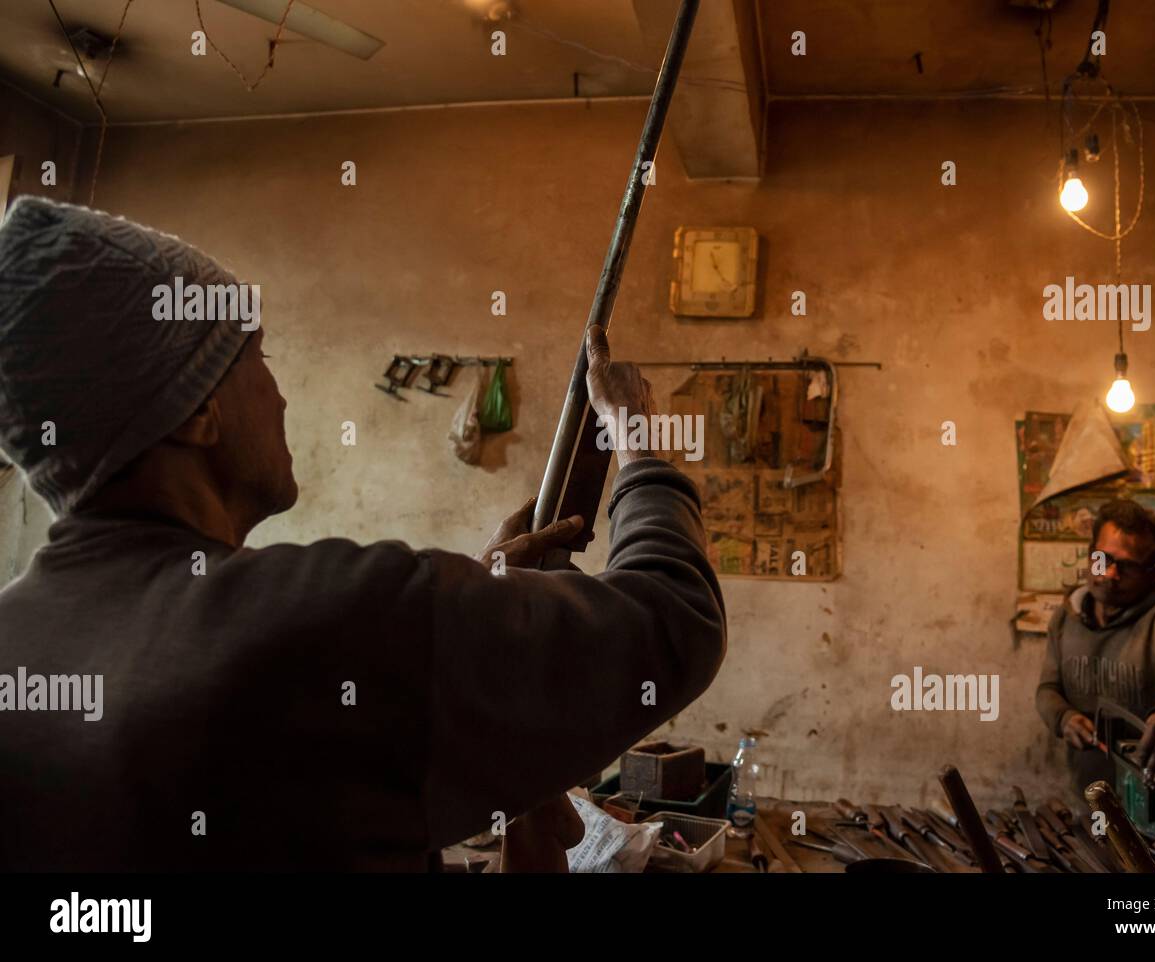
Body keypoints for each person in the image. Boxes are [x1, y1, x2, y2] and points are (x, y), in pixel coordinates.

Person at [0, 196, 726, 870]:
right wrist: (635, 437)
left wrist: (478, 604)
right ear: (196, 414)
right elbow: (673, 618)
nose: (279, 394)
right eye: (257, 357)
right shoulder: (333, 613)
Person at [1036, 498, 1155, 798]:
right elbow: (1047, 690)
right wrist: (1063, 718)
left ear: (1151, 574)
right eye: (1102, 560)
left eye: (1128, 567)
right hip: (1092, 794)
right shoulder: (1066, 617)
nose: (1110, 574)